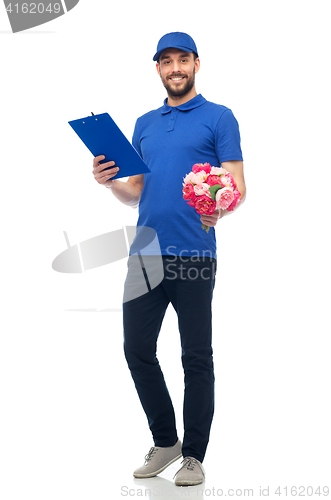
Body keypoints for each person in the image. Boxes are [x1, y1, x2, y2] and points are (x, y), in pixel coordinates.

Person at [92, 32, 246, 486]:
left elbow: (237, 185)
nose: (175, 67)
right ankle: (166, 442)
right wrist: (109, 183)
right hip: (145, 254)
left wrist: (217, 203)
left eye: (183, 59)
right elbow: (135, 191)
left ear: (197, 64)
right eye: (166, 61)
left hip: (195, 252)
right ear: (157, 69)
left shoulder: (220, 118)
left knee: (196, 357)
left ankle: (194, 455)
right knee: (136, 350)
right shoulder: (143, 123)